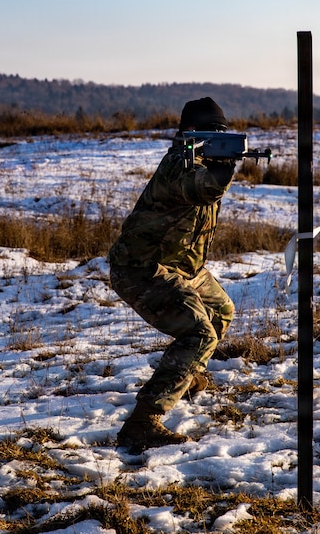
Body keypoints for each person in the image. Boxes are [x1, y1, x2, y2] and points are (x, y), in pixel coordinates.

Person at [108, 97, 238, 453]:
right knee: (199, 333)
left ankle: (187, 375)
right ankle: (143, 422)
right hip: (141, 269)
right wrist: (222, 169)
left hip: (182, 268)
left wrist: (220, 164)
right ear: (190, 134)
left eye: (222, 134)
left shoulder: (202, 163)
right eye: (213, 134)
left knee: (221, 310)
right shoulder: (177, 166)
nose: (218, 139)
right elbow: (200, 188)